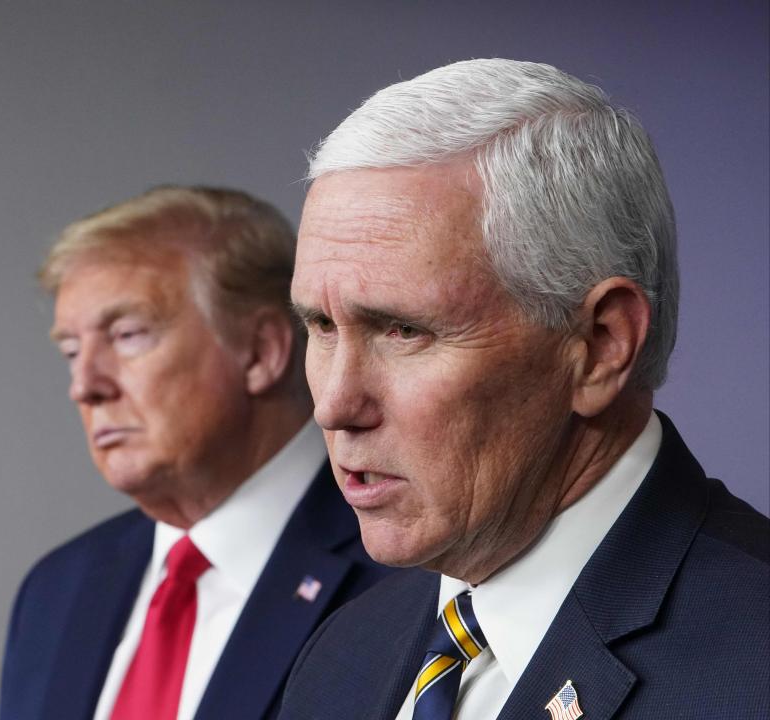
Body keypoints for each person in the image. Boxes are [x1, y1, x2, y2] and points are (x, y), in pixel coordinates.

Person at [280, 59, 769, 719]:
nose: (334, 405)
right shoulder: (343, 652)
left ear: (599, 346)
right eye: (321, 325)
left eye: (403, 330)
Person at [0, 186, 392, 720]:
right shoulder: (56, 591)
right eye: (71, 350)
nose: (84, 385)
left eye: (128, 335)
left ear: (261, 351)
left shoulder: (405, 569)